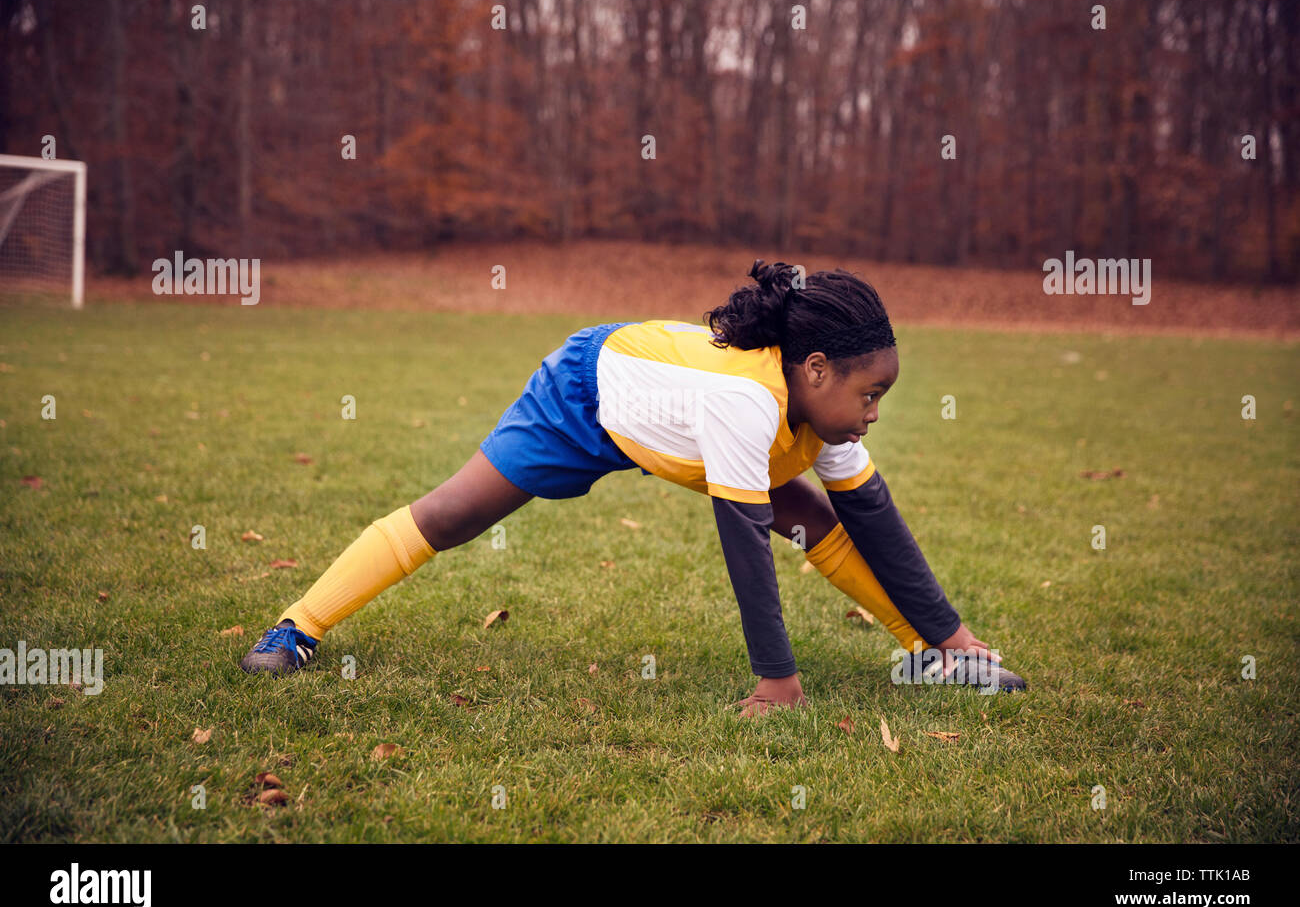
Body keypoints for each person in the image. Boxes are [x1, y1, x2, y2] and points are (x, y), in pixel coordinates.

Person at [240, 259, 1026, 715]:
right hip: (587, 394)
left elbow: (874, 519)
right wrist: (777, 682)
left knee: (816, 515)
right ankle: (296, 626)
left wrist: (951, 636)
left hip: (679, 417)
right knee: (452, 517)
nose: (875, 413)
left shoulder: (824, 413)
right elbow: (744, 546)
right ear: (815, 371)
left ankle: (926, 655)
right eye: (870, 396)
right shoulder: (748, 399)